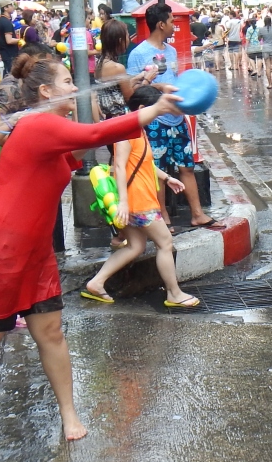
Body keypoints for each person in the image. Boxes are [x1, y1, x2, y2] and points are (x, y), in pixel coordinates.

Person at [0, 56, 186, 443]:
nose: (75, 87)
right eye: (68, 81)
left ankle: (69, 415)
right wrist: (153, 109)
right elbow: (93, 136)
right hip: (3, 246)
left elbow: (79, 150)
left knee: (50, 332)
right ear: (46, 92)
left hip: (34, 249)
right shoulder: (40, 123)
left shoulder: (48, 127)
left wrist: (144, 103)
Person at [81, 86, 201, 307]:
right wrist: (124, 204)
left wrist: (166, 178)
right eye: (158, 109)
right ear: (144, 108)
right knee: (165, 242)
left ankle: (97, 282)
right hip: (139, 202)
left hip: (138, 200)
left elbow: (144, 163)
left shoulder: (138, 129)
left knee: (134, 247)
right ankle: (174, 294)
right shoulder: (126, 131)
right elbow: (118, 166)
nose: (161, 114)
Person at [127, 2, 215, 228]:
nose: (174, 26)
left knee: (186, 166)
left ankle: (197, 213)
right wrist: (159, 89)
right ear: (160, 24)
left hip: (177, 119)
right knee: (159, 171)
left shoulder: (172, 51)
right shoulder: (138, 54)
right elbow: (132, 91)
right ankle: (162, 217)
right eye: (171, 21)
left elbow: (175, 80)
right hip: (154, 121)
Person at [0, 0, 20, 74]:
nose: (13, 7)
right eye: (11, 5)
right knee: (12, 74)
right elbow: (9, 40)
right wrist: (20, 40)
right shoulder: (6, 22)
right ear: (5, 8)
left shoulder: (1, 20)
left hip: (5, 53)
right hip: (10, 54)